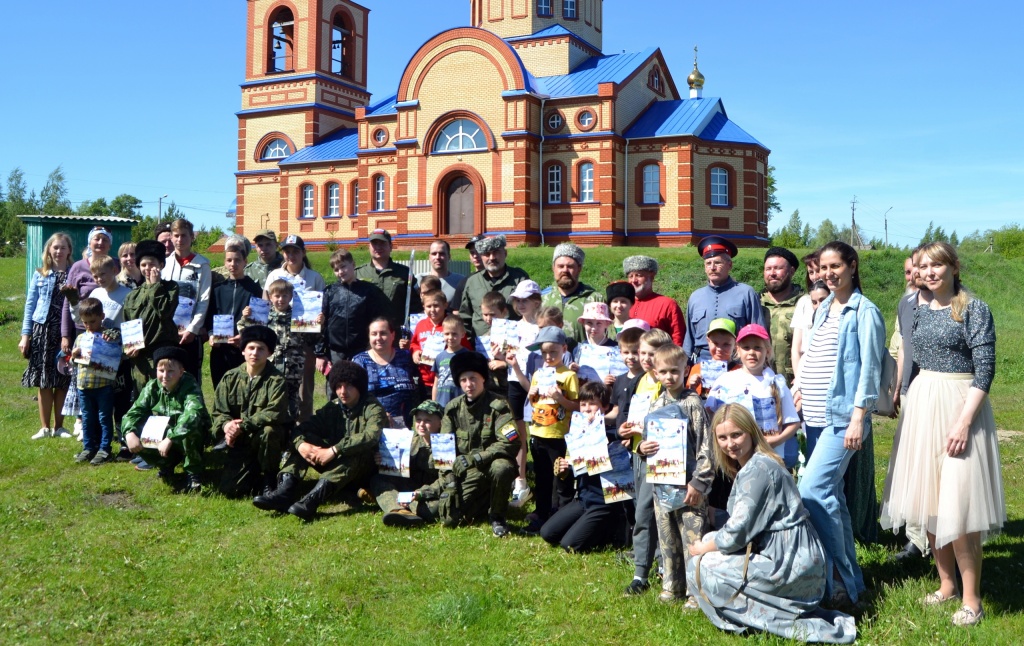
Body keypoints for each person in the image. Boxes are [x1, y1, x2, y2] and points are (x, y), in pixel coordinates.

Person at [880, 242, 1004, 627]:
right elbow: (909, 360)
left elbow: (984, 370)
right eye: (922, 266)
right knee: (930, 501)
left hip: (959, 404)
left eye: (937, 265)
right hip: (923, 405)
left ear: (954, 267)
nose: (929, 272)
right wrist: (899, 391)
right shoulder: (918, 310)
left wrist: (964, 421)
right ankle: (946, 584)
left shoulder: (971, 308)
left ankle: (972, 599)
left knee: (960, 506)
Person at [688, 405, 857, 644]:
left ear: (751, 431)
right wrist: (713, 518)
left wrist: (701, 549)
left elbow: (737, 533)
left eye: (736, 435)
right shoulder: (758, 463)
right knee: (707, 543)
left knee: (699, 564)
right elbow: (750, 521)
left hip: (788, 564)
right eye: (722, 438)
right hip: (792, 555)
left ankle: (748, 619)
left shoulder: (757, 470)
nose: (730, 444)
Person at [796, 241, 884, 607]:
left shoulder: (864, 311)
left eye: (835, 266)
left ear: (851, 265)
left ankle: (841, 577)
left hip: (842, 419)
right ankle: (849, 581)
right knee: (833, 498)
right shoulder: (822, 309)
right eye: (821, 268)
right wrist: (799, 388)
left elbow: (870, 368)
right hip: (814, 417)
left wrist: (858, 417)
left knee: (812, 490)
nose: (827, 274)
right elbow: (813, 355)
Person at [254, 361, 384, 521]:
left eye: (349, 386)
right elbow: (302, 429)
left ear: (359, 386)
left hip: (365, 470)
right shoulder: (333, 407)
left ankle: (311, 501)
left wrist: (335, 449)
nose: (343, 392)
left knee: (356, 453)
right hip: (337, 462)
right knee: (307, 440)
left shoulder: (372, 407)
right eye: (338, 386)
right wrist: (301, 445)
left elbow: (371, 436)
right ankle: (284, 492)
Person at [408, 352, 519, 537]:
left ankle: (497, 516)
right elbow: (443, 450)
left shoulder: (498, 406)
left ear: (483, 378)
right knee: (449, 518)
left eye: (473, 378)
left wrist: (476, 458)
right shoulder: (452, 409)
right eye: (464, 380)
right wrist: (450, 480)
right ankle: (485, 500)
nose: (469, 384)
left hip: (490, 466)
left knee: (503, 467)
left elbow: (511, 443)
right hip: (463, 472)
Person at [641, 343, 714, 608]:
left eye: (675, 371)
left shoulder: (693, 403)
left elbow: (707, 446)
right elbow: (648, 441)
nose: (670, 376)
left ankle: (697, 592)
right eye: (664, 371)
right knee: (667, 537)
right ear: (655, 373)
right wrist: (641, 448)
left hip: (690, 487)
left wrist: (699, 482)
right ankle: (672, 586)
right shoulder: (655, 403)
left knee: (692, 539)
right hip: (662, 484)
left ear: (685, 370)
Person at [541, 381, 631, 552]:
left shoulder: (614, 437)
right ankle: (586, 526)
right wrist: (564, 469)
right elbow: (570, 473)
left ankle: (608, 530)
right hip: (583, 499)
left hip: (603, 503)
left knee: (569, 545)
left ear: (605, 407)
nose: (587, 409)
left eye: (593, 404)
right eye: (583, 404)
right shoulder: (577, 434)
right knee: (547, 533)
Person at [616, 327, 673, 596]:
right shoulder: (641, 381)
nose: (646, 359)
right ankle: (642, 570)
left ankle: (662, 568)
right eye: (643, 353)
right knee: (642, 514)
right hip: (640, 455)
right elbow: (636, 417)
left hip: (662, 460)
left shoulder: (668, 383)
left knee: (659, 516)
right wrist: (627, 431)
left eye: (652, 354)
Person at [887, 248, 932, 562]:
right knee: (913, 466)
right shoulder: (905, 304)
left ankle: (944, 536)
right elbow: (903, 347)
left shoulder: (955, 304)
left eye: (920, 267)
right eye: (911, 268)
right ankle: (917, 539)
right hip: (912, 392)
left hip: (942, 394)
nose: (915, 273)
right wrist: (898, 388)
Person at [705, 324, 800, 470]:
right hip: (733, 461)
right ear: (738, 350)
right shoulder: (725, 381)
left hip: (769, 458)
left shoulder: (777, 383)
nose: (751, 353)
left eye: (757, 348)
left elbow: (793, 423)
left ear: (767, 351)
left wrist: (775, 440)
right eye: (746, 347)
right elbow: (711, 416)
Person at [122, 346, 213, 494]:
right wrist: (129, 433)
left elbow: (193, 414)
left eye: (171, 371)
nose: (165, 376)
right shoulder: (152, 387)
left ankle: (193, 472)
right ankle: (166, 464)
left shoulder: (190, 385)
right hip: (166, 432)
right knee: (136, 428)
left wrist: (170, 438)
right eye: (161, 371)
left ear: (181, 372)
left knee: (191, 427)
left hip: (190, 437)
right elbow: (134, 412)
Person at [212, 325, 289, 498]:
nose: (255, 353)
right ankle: (253, 473)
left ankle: (270, 480)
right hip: (238, 440)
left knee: (270, 432)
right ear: (243, 351)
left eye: (261, 349)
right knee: (230, 490)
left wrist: (243, 425)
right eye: (251, 348)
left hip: (264, 438)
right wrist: (227, 426)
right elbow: (218, 411)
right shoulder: (230, 378)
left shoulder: (276, 380)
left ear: (269, 353)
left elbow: (275, 412)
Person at [524, 326, 580, 533]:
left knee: (560, 476)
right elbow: (534, 402)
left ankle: (559, 514)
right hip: (538, 432)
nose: (548, 356)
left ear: (564, 349)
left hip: (558, 434)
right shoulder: (539, 373)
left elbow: (576, 406)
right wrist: (531, 394)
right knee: (542, 476)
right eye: (544, 352)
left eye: (553, 352)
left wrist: (560, 399)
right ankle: (541, 511)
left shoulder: (568, 376)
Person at [239, 278, 318, 422]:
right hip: (269, 365)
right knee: (265, 395)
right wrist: (246, 318)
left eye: (285, 296)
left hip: (292, 366)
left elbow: (311, 340)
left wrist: (317, 324)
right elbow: (246, 332)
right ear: (270, 296)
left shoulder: (299, 316)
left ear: (291, 297)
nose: (280, 299)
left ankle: (290, 432)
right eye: (277, 296)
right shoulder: (263, 315)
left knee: (291, 399)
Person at [264, 235, 325, 419]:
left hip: (303, 341)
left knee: (304, 391)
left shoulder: (314, 278)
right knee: (274, 388)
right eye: (287, 251)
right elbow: (266, 303)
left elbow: (321, 306)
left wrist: (320, 318)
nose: (291, 255)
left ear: (303, 253)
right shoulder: (274, 275)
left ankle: (304, 432)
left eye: (295, 251)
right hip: (277, 342)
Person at [21, 232, 74, 440]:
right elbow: (30, 305)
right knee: (44, 380)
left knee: (62, 378)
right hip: (42, 329)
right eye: (55, 247)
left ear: (69, 250)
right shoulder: (40, 274)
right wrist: (25, 335)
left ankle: (59, 427)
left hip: (64, 332)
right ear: (49, 251)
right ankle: (44, 427)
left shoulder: (73, 273)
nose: (59, 251)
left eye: (63, 247)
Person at [684, 236, 765, 363]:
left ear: (729, 265)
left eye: (717, 262)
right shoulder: (695, 297)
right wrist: (686, 364)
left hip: (736, 362)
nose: (712, 267)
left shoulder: (746, 293)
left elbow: (758, 332)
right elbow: (689, 338)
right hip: (702, 363)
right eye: (708, 263)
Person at [122, 241, 179, 398]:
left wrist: (155, 287)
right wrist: (128, 348)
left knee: (163, 401)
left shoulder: (170, 288)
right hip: (139, 360)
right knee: (143, 401)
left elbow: (165, 312)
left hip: (161, 357)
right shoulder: (132, 295)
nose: (147, 269)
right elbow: (127, 325)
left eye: (152, 264)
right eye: (143, 264)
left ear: (161, 264)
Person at [316, 247, 390, 368]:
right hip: (335, 352)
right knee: (336, 386)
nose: (340, 272)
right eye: (336, 269)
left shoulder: (369, 291)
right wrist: (319, 353)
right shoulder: (329, 292)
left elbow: (378, 320)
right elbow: (321, 324)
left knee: (361, 385)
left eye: (343, 267)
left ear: (353, 264)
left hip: (362, 350)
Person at [373, 400, 443, 527]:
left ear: (440, 423)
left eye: (428, 420)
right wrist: (383, 460)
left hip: (433, 492)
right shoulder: (410, 440)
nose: (421, 424)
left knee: (433, 508)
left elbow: (446, 480)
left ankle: (397, 503)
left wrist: (420, 493)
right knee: (379, 480)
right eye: (418, 419)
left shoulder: (444, 444)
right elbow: (398, 469)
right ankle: (399, 510)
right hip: (411, 486)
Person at [159, 218, 211, 383]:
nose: (180, 240)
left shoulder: (202, 265)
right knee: (168, 376)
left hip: (190, 334)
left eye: (184, 236)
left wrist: (193, 329)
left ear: (192, 237)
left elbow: (204, 299)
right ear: (172, 238)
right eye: (176, 236)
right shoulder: (164, 264)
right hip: (168, 332)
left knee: (190, 378)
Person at [70, 298, 121, 465]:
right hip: (83, 385)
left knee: (104, 418)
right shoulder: (80, 338)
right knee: (87, 417)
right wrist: (74, 356)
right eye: (85, 322)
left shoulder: (108, 337)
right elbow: (73, 362)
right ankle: (88, 447)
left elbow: (116, 357)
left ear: (102, 317)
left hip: (103, 386)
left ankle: (105, 448)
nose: (89, 326)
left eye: (92, 321)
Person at [206, 245, 263, 388]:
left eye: (237, 260)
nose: (233, 264)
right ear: (225, 263)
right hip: (220, 350)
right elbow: (209, 318)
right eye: (229, 260)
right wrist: (211, 335)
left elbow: (260, 322)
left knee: (243, 392)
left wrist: (244, 336)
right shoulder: (218, 289)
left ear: (245, 261)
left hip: (243, 350)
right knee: (221, 391)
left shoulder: (255, 289)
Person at [352, 317, 420, 427]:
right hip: (371, 423)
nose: (378, 338)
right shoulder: (359, 361)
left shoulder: (406, 356)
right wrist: (380, 414)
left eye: (383, 333)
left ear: (393, 335)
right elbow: (354, 396)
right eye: (374, 334)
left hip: (404, 425)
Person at [459, 235, 530, 338]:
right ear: (481, 256)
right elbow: (465, 317)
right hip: (480, 348)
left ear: (505, 253)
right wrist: (469, 343)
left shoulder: (520, 279)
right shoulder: (472, 282)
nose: (492, 258)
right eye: (487, 254)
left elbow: (531, 312)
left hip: (512, 346)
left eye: (496, 252)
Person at [410, 289, 468, 397]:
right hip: (424, 378)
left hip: (446, 380)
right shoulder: (421, 325)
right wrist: (415, 351)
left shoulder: (452, 325)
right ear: (423, 307)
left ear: (445, 305)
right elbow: (414, 343)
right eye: (428, 306)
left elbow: (465, 349)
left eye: (436, 305)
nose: (432, 310)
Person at [355, 229, 419, 328]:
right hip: (366, 335)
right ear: (369, 247)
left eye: (382, 243)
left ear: (390, 246)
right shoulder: (358, 273)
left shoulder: (404, 273)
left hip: (395, 334)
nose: (378, 247)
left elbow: (415, 307)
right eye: (374, 243)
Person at [540, 243, 604, 341]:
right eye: (560, 266)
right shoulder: (543, 298)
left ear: (579, 269)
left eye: (570, 266)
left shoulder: (594, 299)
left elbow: (605, 336)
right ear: (553, 268)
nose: (565, 270)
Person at [761, 247, 803, 384]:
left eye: (778, 268)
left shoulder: (804, 303)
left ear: (791, 271)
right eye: (768, 269)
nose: (772, 273)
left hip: (793, 384)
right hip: (760, 382)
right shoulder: (756, 304)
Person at [623, 255, 685, 346]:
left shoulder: (667, 304)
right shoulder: (622, 304)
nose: (633, 280)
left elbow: (678, 337)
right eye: (630, 276)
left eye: (638, 275)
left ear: (651, 277)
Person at [685, 318, 740, 399]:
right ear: (708, 341)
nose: (719, 349)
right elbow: (689, 403)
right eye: (715, 343)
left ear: (735, 344)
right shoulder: (697, 369)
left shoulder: (740, 372)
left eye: (726, 344)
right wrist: (691, 388)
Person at [790, 250, 821, 378]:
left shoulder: (841, 303)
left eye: (818, 270)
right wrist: (798, 379)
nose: (814, 277)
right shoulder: (804, 302)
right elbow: (796, 349)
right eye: (810, 272)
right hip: (806, 371)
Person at [432, 316, 471, 409]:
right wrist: (433, 403)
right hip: (442, 403)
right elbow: (436, 383)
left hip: (461, 403)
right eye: (447, 334)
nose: (450, 337)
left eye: (454, 334)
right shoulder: (439, 356)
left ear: (462, 334)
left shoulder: (468, 355)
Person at [418, 240, 466, 313]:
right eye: (434, 254)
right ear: (429, 257)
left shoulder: (460, 281)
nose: (437, 257)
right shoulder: (418, 280)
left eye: (442, 254)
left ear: (449, 256)